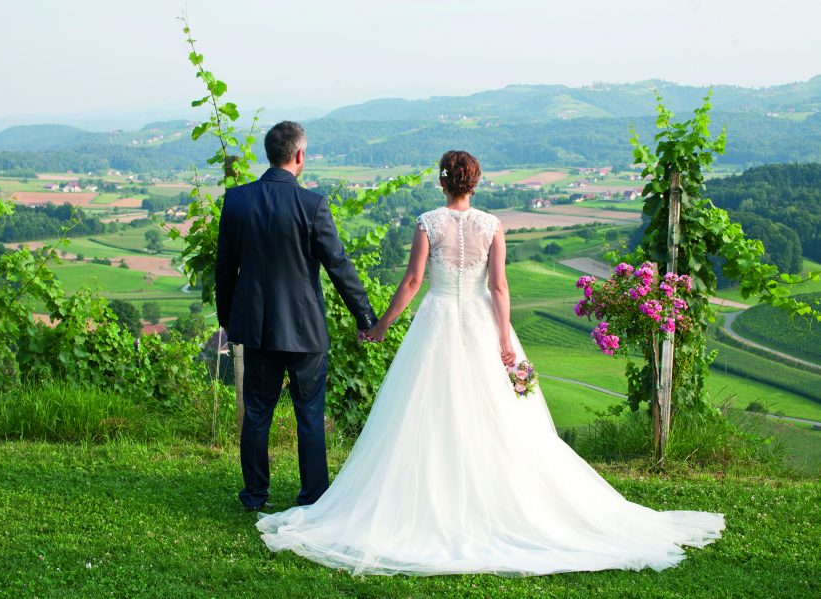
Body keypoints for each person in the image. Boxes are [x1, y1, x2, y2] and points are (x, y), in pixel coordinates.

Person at [255, 150, 725, 576]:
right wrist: (505, 340)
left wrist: (380, 326)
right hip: (482, 323)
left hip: (436, 321)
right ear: (474, 184)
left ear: (443, 183)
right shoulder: (492, 225)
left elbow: (414, 280)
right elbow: (499, 288)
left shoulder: (428, 223)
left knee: (425, 411)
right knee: (497, 417)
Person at [216, 121, 377, 511]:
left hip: (255, 329)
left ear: (269, 154)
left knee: (256, 413)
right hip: (305, 331)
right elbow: (339, 266)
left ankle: (254, 495)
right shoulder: (313, 205)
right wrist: (366, 318)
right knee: (309, 414)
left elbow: (224, 270)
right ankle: (313, 498)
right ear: (299, 155)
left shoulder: (236, 201)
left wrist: (228, 320)